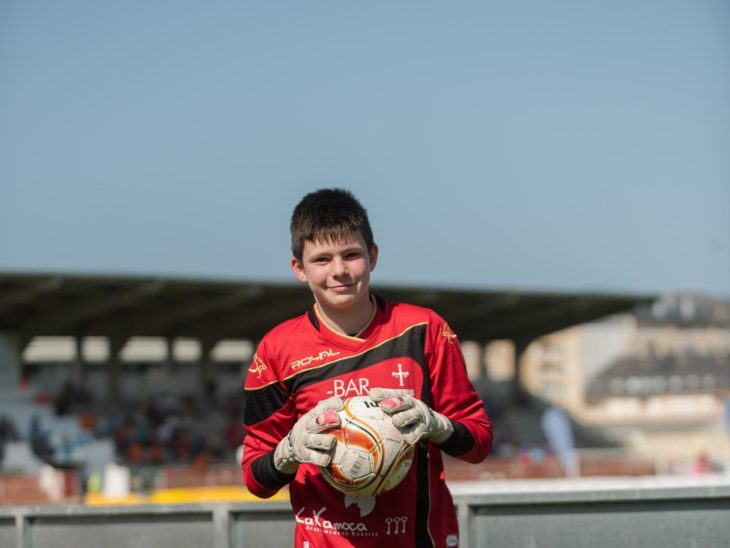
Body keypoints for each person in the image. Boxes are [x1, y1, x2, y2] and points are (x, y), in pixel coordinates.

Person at [242, 189, 492, 547]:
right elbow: (255, 478)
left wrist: (436, 425)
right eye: (322, 259)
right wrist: (289, 451)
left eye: (352, 255)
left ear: (372, 257)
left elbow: (478, 442)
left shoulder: (424, 330)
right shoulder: (276, 349)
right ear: (299, 269)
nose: (339, 270)